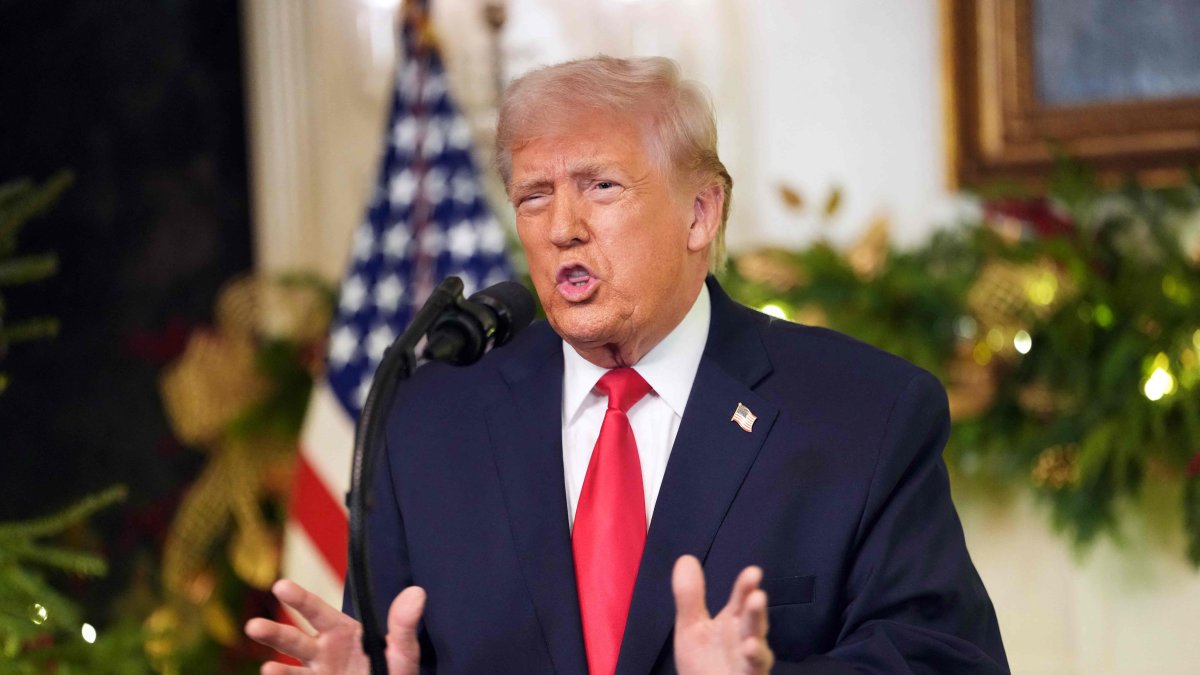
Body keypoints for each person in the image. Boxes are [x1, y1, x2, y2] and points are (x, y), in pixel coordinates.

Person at [246, 55, 1008, 674]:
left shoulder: (862, 413)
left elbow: (947, 661)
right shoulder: (429, 424)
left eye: (600, 187)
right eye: (534, 197)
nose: (562, 229)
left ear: (701, 213)